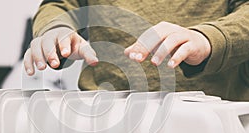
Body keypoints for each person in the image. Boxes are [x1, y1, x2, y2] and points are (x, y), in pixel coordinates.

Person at [24, 0, 249, 101]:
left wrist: (209, 38)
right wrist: (56, 27)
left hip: (216, 113)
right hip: (107, 115)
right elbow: (60, 4)